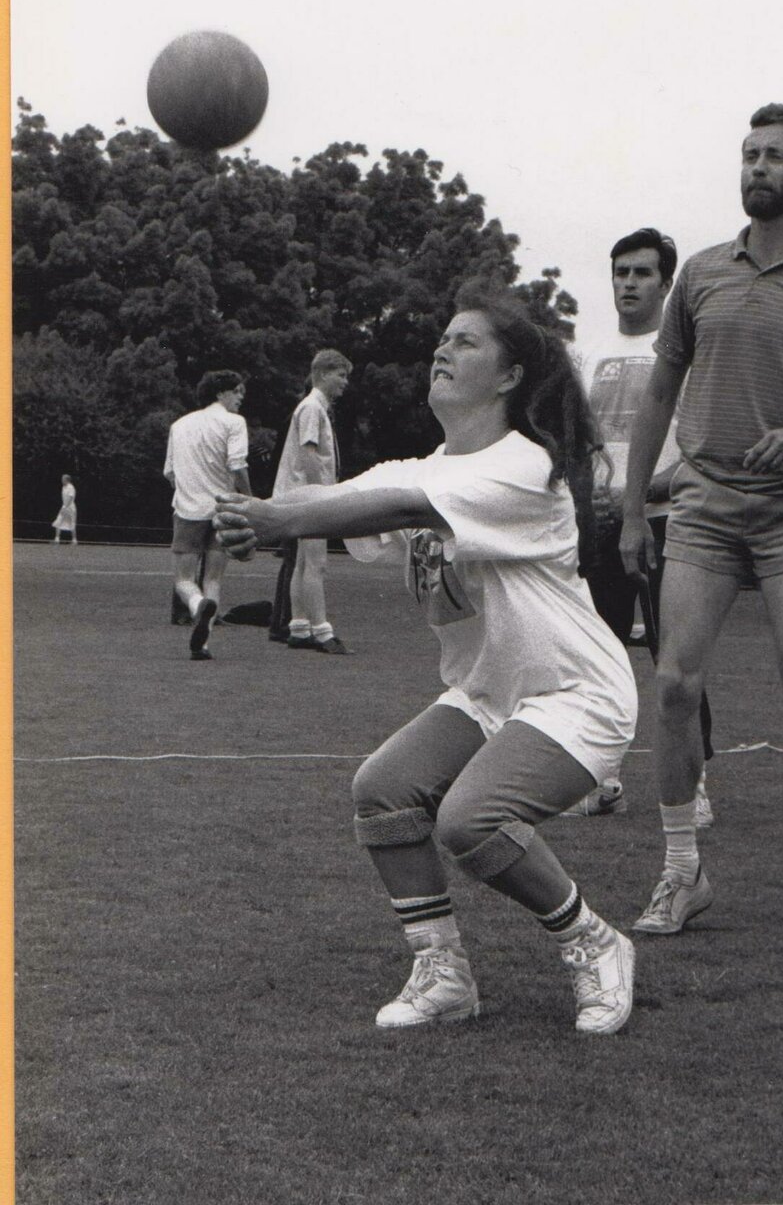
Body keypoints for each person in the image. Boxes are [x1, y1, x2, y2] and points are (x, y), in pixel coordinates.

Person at [216, 292, 638, 1035]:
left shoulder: (523, 467)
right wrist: (263, 516)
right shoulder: (429, 465)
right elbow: (353, 495)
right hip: (487, 693)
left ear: (509, 376)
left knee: (471, 820)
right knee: (383, 789)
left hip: (576, 693)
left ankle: (593, 942)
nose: (442, 351)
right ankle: (444, 975)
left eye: (465, 343)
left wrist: (281, 519)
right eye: (442, 339)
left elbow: (399, 508)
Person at [620, 102, 783, 936]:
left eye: (774, 156)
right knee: (671, 685)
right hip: (701, 506)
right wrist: (633, 509)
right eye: (747, 154)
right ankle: (679, 872)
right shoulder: (698, 274)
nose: (755, 168)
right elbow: (658, 395)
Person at [572, 227, 714, 826]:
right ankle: (601, 777)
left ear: (666, 282)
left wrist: (644, 491)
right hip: (601, 527)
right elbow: (577, 439)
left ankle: (695, 782)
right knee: (595, 656)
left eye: (641, 273)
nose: (628, 283)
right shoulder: (587, 350)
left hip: (667, 520)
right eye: (620, 272)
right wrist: (587, 502)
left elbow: (702, 441)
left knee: (673, 656)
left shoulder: (687, 350)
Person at [164, 370, 251, 662]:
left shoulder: (179, 425)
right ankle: (202, 645)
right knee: (213, 579)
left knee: (184, 580)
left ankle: (197, 605)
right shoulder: (234, 423)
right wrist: (250, 500)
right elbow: (238, 466)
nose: (241, 398)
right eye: (237, 392)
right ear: (220, 393)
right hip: (222, 510)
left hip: (188, 512)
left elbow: (170, 473)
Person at [271, 348, 353, 655]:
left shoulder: (314, 408)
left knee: (304, 562)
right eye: (341, 375)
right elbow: (308, 455)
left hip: (300, 496)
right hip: (308, 496)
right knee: (316, 563)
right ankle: (322, 631)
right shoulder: (311, 408)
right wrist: (323, 496)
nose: (344, 383)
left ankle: (299, 626)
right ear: (322, 374)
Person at [51, 474, 78, 545]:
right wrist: (64, 507)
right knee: (59, 520)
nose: (61, 480)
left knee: (72, 522)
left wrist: (66, 507)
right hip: (65, 506)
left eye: (63, 479)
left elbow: (71, 497)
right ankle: (57, 539)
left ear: (67, 480)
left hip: (70, 507)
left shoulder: (71, 487)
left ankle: (74, 540)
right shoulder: (64, 487)